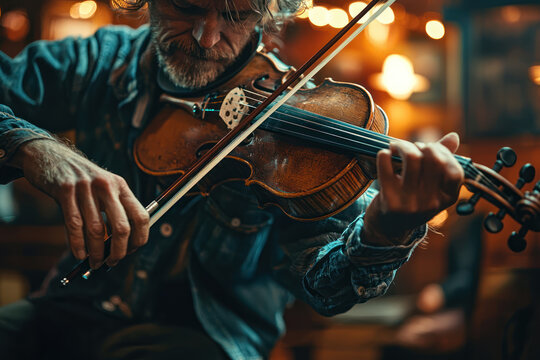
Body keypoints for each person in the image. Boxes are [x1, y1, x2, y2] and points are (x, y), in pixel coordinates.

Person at [0, 0, 464, 359]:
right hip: (73, 307)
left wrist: (385, 231)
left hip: (205, 339)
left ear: (268, 11)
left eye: (237, 14)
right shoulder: (96, 64)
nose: (206, 37)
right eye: (185, 6)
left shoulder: (295, 118)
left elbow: (327, 287)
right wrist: (34, 148)